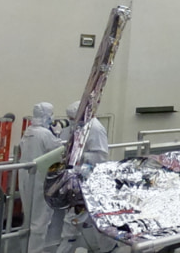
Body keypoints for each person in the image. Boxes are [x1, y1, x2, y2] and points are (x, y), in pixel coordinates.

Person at [57, 101, 115, 253]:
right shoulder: (80, 126)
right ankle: (106, 247)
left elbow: (101, 155)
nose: (70, 121)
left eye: (72, 118)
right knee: (91, 218)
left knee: (74, 219)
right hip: (78, 178)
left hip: (89, 180)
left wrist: (78, 156)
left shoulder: (95, 128)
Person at [18, 102, 63, 253]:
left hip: (26, 176)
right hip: (40, 179)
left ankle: (26, 248)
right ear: (46, 116)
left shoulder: (28, 131)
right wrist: (57, 134)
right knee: (40, 220)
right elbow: (58, 150)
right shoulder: (44, 134)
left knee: (29, 217)